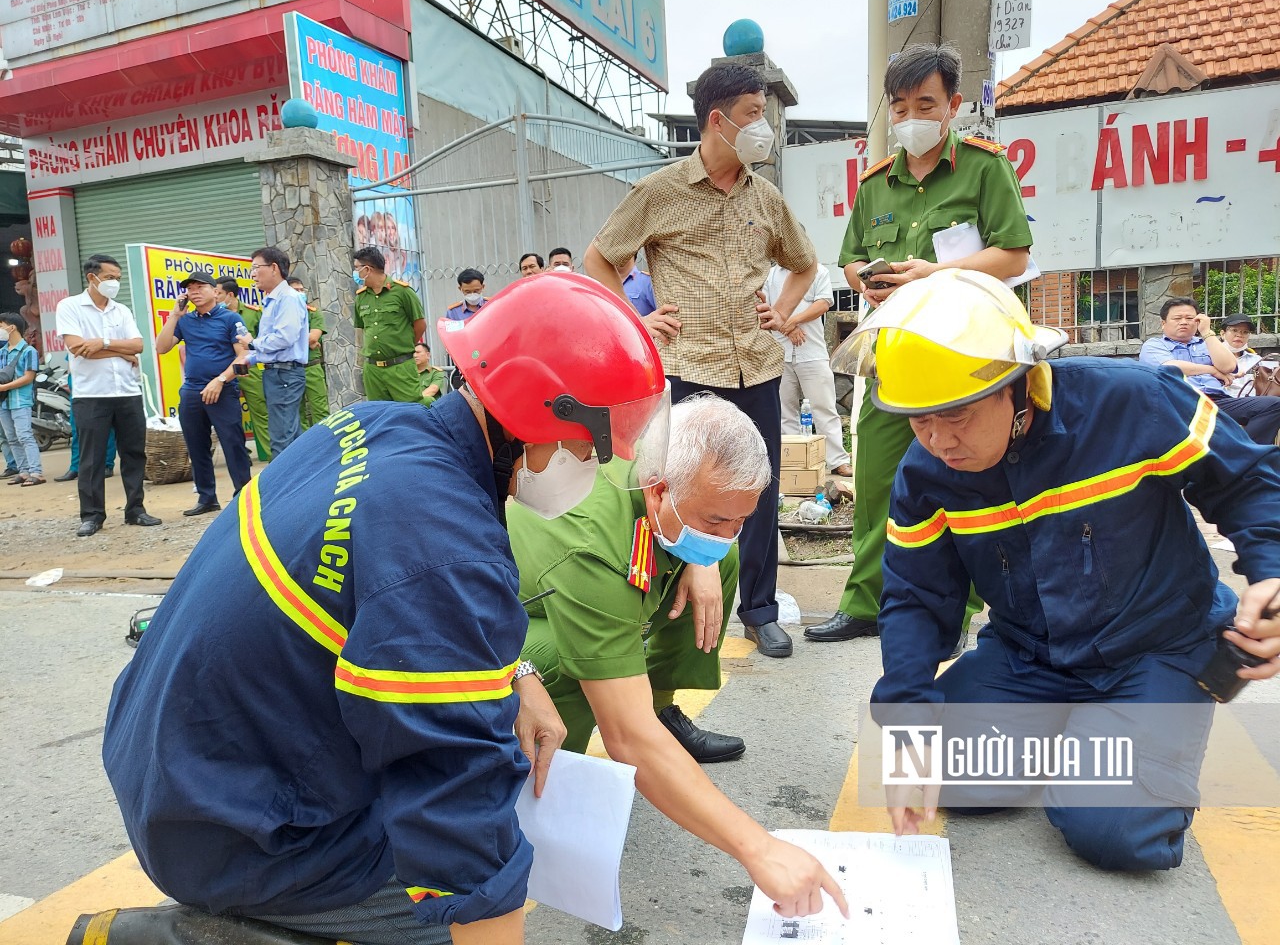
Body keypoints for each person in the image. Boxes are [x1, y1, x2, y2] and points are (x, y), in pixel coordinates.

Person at [95, 275, 729, 945]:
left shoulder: (375, 425)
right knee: (450, 900)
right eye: (590, 447)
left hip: (169, 757)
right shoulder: (445, 543)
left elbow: (402, 587)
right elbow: (458, 817)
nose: (599, 467)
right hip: (235, 828)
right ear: (538, 416)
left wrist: (511, 673)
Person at [832, 268, 1280, 871]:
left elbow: (1247, 480)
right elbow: (915, 598)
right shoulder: (924, 473)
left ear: (1017, 386)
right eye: (918, 420)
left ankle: (1134, 733)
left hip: (1156, 648)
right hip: (1028, 656)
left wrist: (1271, 572)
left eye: (955, 416)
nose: (938, 441)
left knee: (1112, 834)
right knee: (934, 775)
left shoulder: (1133, 402)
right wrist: (910, 722)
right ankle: (1081, 738)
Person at [511, 397, 849, 912]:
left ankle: (658, 708)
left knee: (719, 564)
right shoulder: (593, 547)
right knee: (567, 665)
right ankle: (539, 791)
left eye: (740, 521)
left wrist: (706, 554)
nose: (726, 535)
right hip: (506, 626)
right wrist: (758, 848)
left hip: (628, 545)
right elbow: (627, 740)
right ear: (658, 491)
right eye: (715, 521)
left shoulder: (653, 457)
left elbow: (704, 529)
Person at [585, 61, 819, 658]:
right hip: (688, 365)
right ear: (717, 120)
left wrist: (784, 314)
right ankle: (674, 608)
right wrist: (636, 321)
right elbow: (600, 259)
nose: (762, 127)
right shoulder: (660, 192)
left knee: (757, 489)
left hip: (756, 365)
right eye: (751, 115)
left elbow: (805, 263)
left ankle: (759, 609)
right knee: (684, 492)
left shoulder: (765, 199)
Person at [807, 43, 1033, 645]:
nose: (911, 116)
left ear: (953, 105)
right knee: (878, 476)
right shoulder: (878, 183)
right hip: (896, 346)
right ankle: (863, 603)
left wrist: (936, 274)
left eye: (924, 103)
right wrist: (871, 279)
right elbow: (850, 259)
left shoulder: (985, 169)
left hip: (966, 353)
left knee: (962, 475)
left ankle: (952, 613)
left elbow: (1014, 252)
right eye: (900, 105)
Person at [55, 254, 160, 537]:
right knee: (92, 458)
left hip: (127, 392)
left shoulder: (121, 310)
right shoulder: (70, 306)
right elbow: (77, 347)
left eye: (118, 278)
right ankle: (92, 516)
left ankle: (135, 509)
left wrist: (102, 343)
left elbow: (137, 345)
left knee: (134, 453)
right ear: (93, 277)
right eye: (110, 277)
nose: (114, 283)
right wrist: (120, 350)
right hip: (91, 395)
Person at [154, 270, 253, 517]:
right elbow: (161, 347)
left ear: (214, 291)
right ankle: (207, 497)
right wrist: (175, 315)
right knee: (196, 445)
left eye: (200, 287)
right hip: (192, 391)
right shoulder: (185, 321)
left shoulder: (230, 319)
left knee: (233, 444)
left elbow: (244, 356)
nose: (194, 292)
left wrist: (220, 381)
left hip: (223, 388)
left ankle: (244, 495)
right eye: (190, 288)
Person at [1139, 298, 1280, 445]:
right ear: (1163, 324)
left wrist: (1207, 332)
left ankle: (1247, 453)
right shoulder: (1154, 345)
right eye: (1177, 318)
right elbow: (1170, 367)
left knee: (1274, 405)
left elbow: (1229, 367)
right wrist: (1212, 370)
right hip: (1179, 401)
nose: (1184, 322)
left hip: (1217, 402)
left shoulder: (1206, 343)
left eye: (1189, 318)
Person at [762, 264, 852, 477]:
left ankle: (837, 461)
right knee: (785, 411)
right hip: (779, 351)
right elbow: (764, 307)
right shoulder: (770, 275)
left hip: (812, 351)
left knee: (825, 408)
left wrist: (792, 321)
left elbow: (822, 304)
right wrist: (789, 328)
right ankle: (793, 463)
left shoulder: (818, 270)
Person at [237, 247, 310, 456]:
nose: (252, 274)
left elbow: (285, 337)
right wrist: (251, 359)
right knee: (292, 437)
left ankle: (282, 488)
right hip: (278, 373)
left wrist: (253, 344)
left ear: (274, 268)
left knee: (281, 440)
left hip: (284, 375)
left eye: (256, 268)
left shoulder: (287, 298)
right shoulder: (273, 299)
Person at [354, 246, 427, 402]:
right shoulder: (361, 297)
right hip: (373, 370)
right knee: (379, 416)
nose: (355, 273)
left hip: (400, 368)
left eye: (357, 268)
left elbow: (420, 324)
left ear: (367, 269)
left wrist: (404, 345)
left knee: (410, 412)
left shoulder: (402, 292)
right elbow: (361, 329)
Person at [216, 276, 269, 462]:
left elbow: (264, 338)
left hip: (248, 368)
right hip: (225, 371)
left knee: (260, 410)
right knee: (229, 416)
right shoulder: (214, 316)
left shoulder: (253, 313)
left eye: (219, 293)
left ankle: (267, 454)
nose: (215, 297)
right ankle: (239, 455)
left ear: (230, 295)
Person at [0, 312, 43, 486]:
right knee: (11, 438)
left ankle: (36, 472)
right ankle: (23, 471)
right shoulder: (2, 351)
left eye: (1, 326)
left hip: (20, 400)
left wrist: (4, 387)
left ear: (12, 328)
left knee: (25, 436)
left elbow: (28, 377)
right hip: (4, 402)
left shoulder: (29, 351)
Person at [288, 277, 331, 430]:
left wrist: (310, 340)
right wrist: (306, 341)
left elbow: (313, 337)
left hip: (312, 368)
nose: (301, 292)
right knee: (297, 413)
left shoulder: (313, 313)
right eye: (296, 290)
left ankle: (325, 443)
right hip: (292, 369)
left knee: (320, 409)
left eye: (302, 289)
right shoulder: (283, 314)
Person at [1220, 313, 1270, 398]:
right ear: (1222, 334)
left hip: (1255, 404)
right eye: (1234, 330)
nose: (1239, 335)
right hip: (1223, 403)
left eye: (1245, 332)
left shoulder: (1257, 360)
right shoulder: (1210, 357)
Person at [414, 341, 445, 409]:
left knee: (428, 400)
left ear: (428, 355)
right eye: (413, 353)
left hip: (428, 409)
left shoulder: (436, 372)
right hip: (409, 406)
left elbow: (432, 390)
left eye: (418, 352)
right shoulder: (409, 373)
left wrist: (411, 403)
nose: (415, 355)